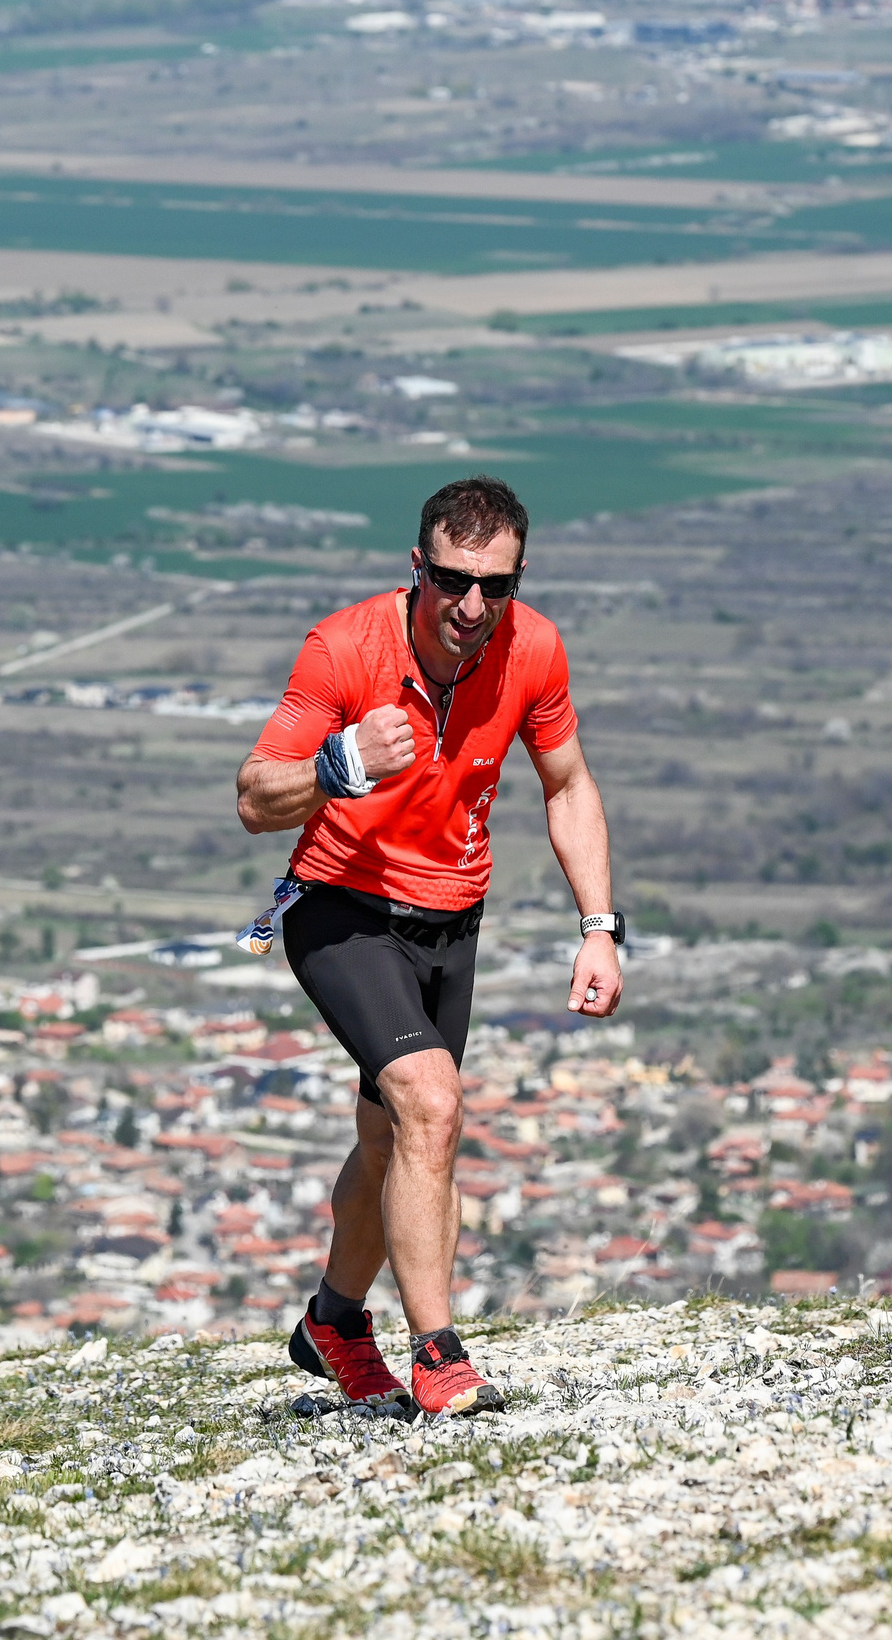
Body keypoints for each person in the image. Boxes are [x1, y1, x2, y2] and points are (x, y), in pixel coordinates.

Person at [237, 477, 624, 1419]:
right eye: (453, 580)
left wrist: (599, 925)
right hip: (341, 904)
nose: (472, 605)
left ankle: (333, 1319)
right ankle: (440, 1354)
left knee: (391, 1139)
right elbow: (254, 795)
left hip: (453, 916)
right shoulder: (344, 648)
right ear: (418, 567)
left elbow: (566, 785)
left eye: (496, 584)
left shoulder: (532, 648)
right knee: (431, 1101)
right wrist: (340, 765)